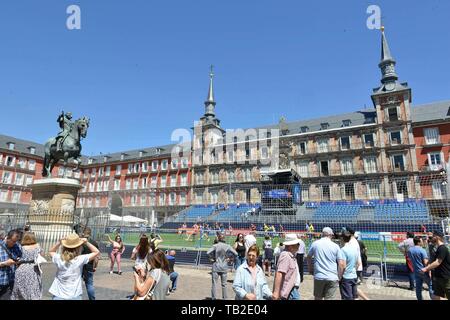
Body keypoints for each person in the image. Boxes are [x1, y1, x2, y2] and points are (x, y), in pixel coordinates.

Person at [49, 233, 100, 300]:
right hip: (74, 294)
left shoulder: (59, 258)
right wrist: (86, 242)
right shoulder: (80, 259)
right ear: (79, 247)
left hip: (59, 294)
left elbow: (51, 251)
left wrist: (59, 242)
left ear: (64, 247)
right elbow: (96, 252)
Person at [307, 227, 345, 300]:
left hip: (319, 276)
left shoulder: (315, 244)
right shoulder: (336, 246)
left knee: (318, 297)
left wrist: (310, 269)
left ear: (322, 234)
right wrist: (339, 276)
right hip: (332, 276)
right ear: (331, 235)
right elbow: (341, 264)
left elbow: (308, 257)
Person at [10, 232, 44, 300]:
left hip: (21, 269)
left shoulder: (21, 247)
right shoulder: (38, 246)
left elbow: (16, 257)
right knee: (33, 289)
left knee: (20, 290)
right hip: (33, 269)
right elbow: (41, 257)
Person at [207, 233, 238, 300]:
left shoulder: (215, 245)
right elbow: (236, 253)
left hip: (216, 266)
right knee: (224, 285)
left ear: (218, 238)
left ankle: (213, 298)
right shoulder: (228, 246)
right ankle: (225, 298)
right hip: (224, 266)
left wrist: (211, 258)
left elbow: (208, 252)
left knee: (214, 284)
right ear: (224, 238)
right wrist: (230, 258)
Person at [421, 231, 450, 300]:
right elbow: (434, 261)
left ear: (437, 237)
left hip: (445, 278)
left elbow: (438, 262)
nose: (431, 238)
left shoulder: (442, 248)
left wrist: (426, 268)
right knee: (435, 296)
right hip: (438, 277)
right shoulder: (437, 248)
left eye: (433, 236)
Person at [272, 234, 301, 300]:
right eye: (297, 244)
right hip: (289, 291)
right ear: (291, 246)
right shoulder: (286, 256)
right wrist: (276, 292)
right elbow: (279, 273)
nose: (299, 245)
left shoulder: (290, 256)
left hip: (291, 289)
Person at [0, 230, 22, 300]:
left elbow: (20, 257)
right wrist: (5, 263)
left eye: (16, 241)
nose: (14, 243)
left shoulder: (17, 246)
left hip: (11, 282)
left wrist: (19, 261)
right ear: (8, 238)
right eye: (13, 241)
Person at [408, 236, 432, 300]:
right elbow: (425, 262)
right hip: (424, 271)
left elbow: (410, 258)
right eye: (421, 241)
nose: (422, 242)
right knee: (431, 286)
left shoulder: (410, 250)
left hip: (416, 271)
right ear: (418, 242)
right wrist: (429, 271)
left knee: (418, 288)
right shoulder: (422, 250)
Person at [339, 231, 360, 300]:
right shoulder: (354, 249)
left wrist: (339, 277)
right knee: (355, 297)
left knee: (347, 297)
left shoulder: (343, 250)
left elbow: (343, 266)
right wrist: (354, 270)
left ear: (342, 239)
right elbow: (358, 263)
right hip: (354, 276)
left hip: (346, 277)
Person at [80, 227, 99, 300]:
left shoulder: (80, 241)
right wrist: (95, 266)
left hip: (79, 264)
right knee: (89, 284)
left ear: (83, 233)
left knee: (77, 282)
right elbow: (96, 257)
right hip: (89, 264)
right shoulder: (94, 242)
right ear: (90, 233)